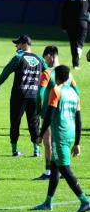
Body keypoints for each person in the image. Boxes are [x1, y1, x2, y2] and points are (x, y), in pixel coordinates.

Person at [33, 65, 89, 212]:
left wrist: (40, 134)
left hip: (60, 134)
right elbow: (79, 120)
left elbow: (49, 115)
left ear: (56, 77)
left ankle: (85, 200)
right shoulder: (74, 94)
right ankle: (48, 202)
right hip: (70, 134)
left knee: (64, 168)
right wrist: (77, 142)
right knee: (55, 166)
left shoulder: (56, 91)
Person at [0, 35, 47, 157]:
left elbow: (6, 71)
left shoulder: (19, 57)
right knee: (34, 122)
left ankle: (15, 150)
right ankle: (36, 150)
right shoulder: (40, 59)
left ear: (25, 44)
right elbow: (49, 74)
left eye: (18, 43)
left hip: (19, 95)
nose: (16, 46)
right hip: (34, 95)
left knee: (15, 122)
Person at [35, 46, 79, 180]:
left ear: (50, 56)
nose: (45, 61)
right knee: (61, 141)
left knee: (48, 142)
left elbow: (40, 94)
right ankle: (62, 170)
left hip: (50, 112)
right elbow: (76, 92)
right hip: (66, 114)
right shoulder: (68, 73)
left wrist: (38, 110)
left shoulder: (47, 73)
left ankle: (49, 172)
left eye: (45, 58)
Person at [61, 0, 90, 69]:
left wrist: (63, 25)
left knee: (73, 43)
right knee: (80, 42)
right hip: (83, 23)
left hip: (71, 23)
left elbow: (64, 11)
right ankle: (79, 50)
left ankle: (76, 64)